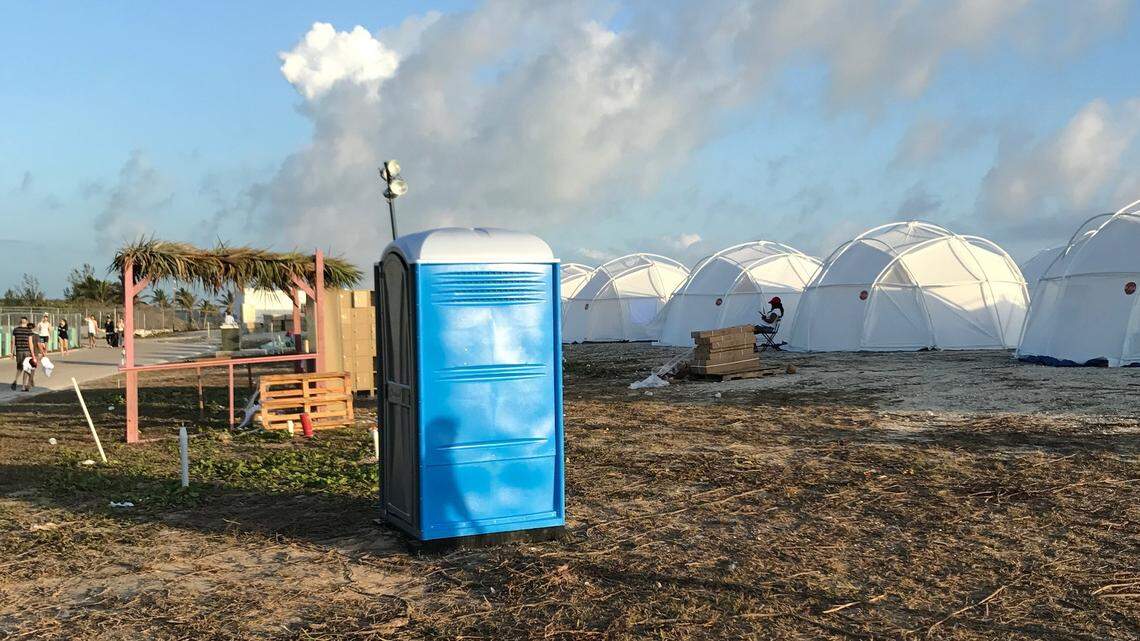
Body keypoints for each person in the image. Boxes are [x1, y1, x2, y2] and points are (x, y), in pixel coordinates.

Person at [10, 317, 36, 392]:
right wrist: (33, 353)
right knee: (26, 368)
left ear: (20, 322)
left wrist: (12, 352)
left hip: (19, 351)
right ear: (27, 322)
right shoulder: (29, 330)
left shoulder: (15, 330)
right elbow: (30, 343)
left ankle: (15, 380)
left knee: (19, 367)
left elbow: (13, 342)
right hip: (27, 351)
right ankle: (23, 387)